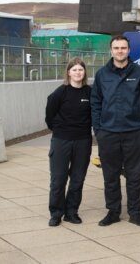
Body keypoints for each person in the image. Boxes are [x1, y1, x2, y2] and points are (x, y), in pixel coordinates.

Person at [91, 35, 140, 227]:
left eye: (123, 48)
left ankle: (135, 213)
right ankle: (113, 212)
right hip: (108, 133)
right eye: (116, 48)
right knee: (110, 176)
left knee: (135, 176)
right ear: (111, 50)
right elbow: (95, 103)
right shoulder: (102, 74)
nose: (120, 51)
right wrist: (98, 130)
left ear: (129, 50)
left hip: (134, 133)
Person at [45, 57, 92, 227]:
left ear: (84, 72)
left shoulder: (89, 92)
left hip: (83, 141)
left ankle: (71, 212)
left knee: (78, 179)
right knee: (58, 179)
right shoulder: (60, 92)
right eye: (74, 70)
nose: (78, 72)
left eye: (80, 69)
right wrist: (59, 129)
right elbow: (49, 116)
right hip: (61, 141)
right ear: (68, 72)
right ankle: (56, 213)